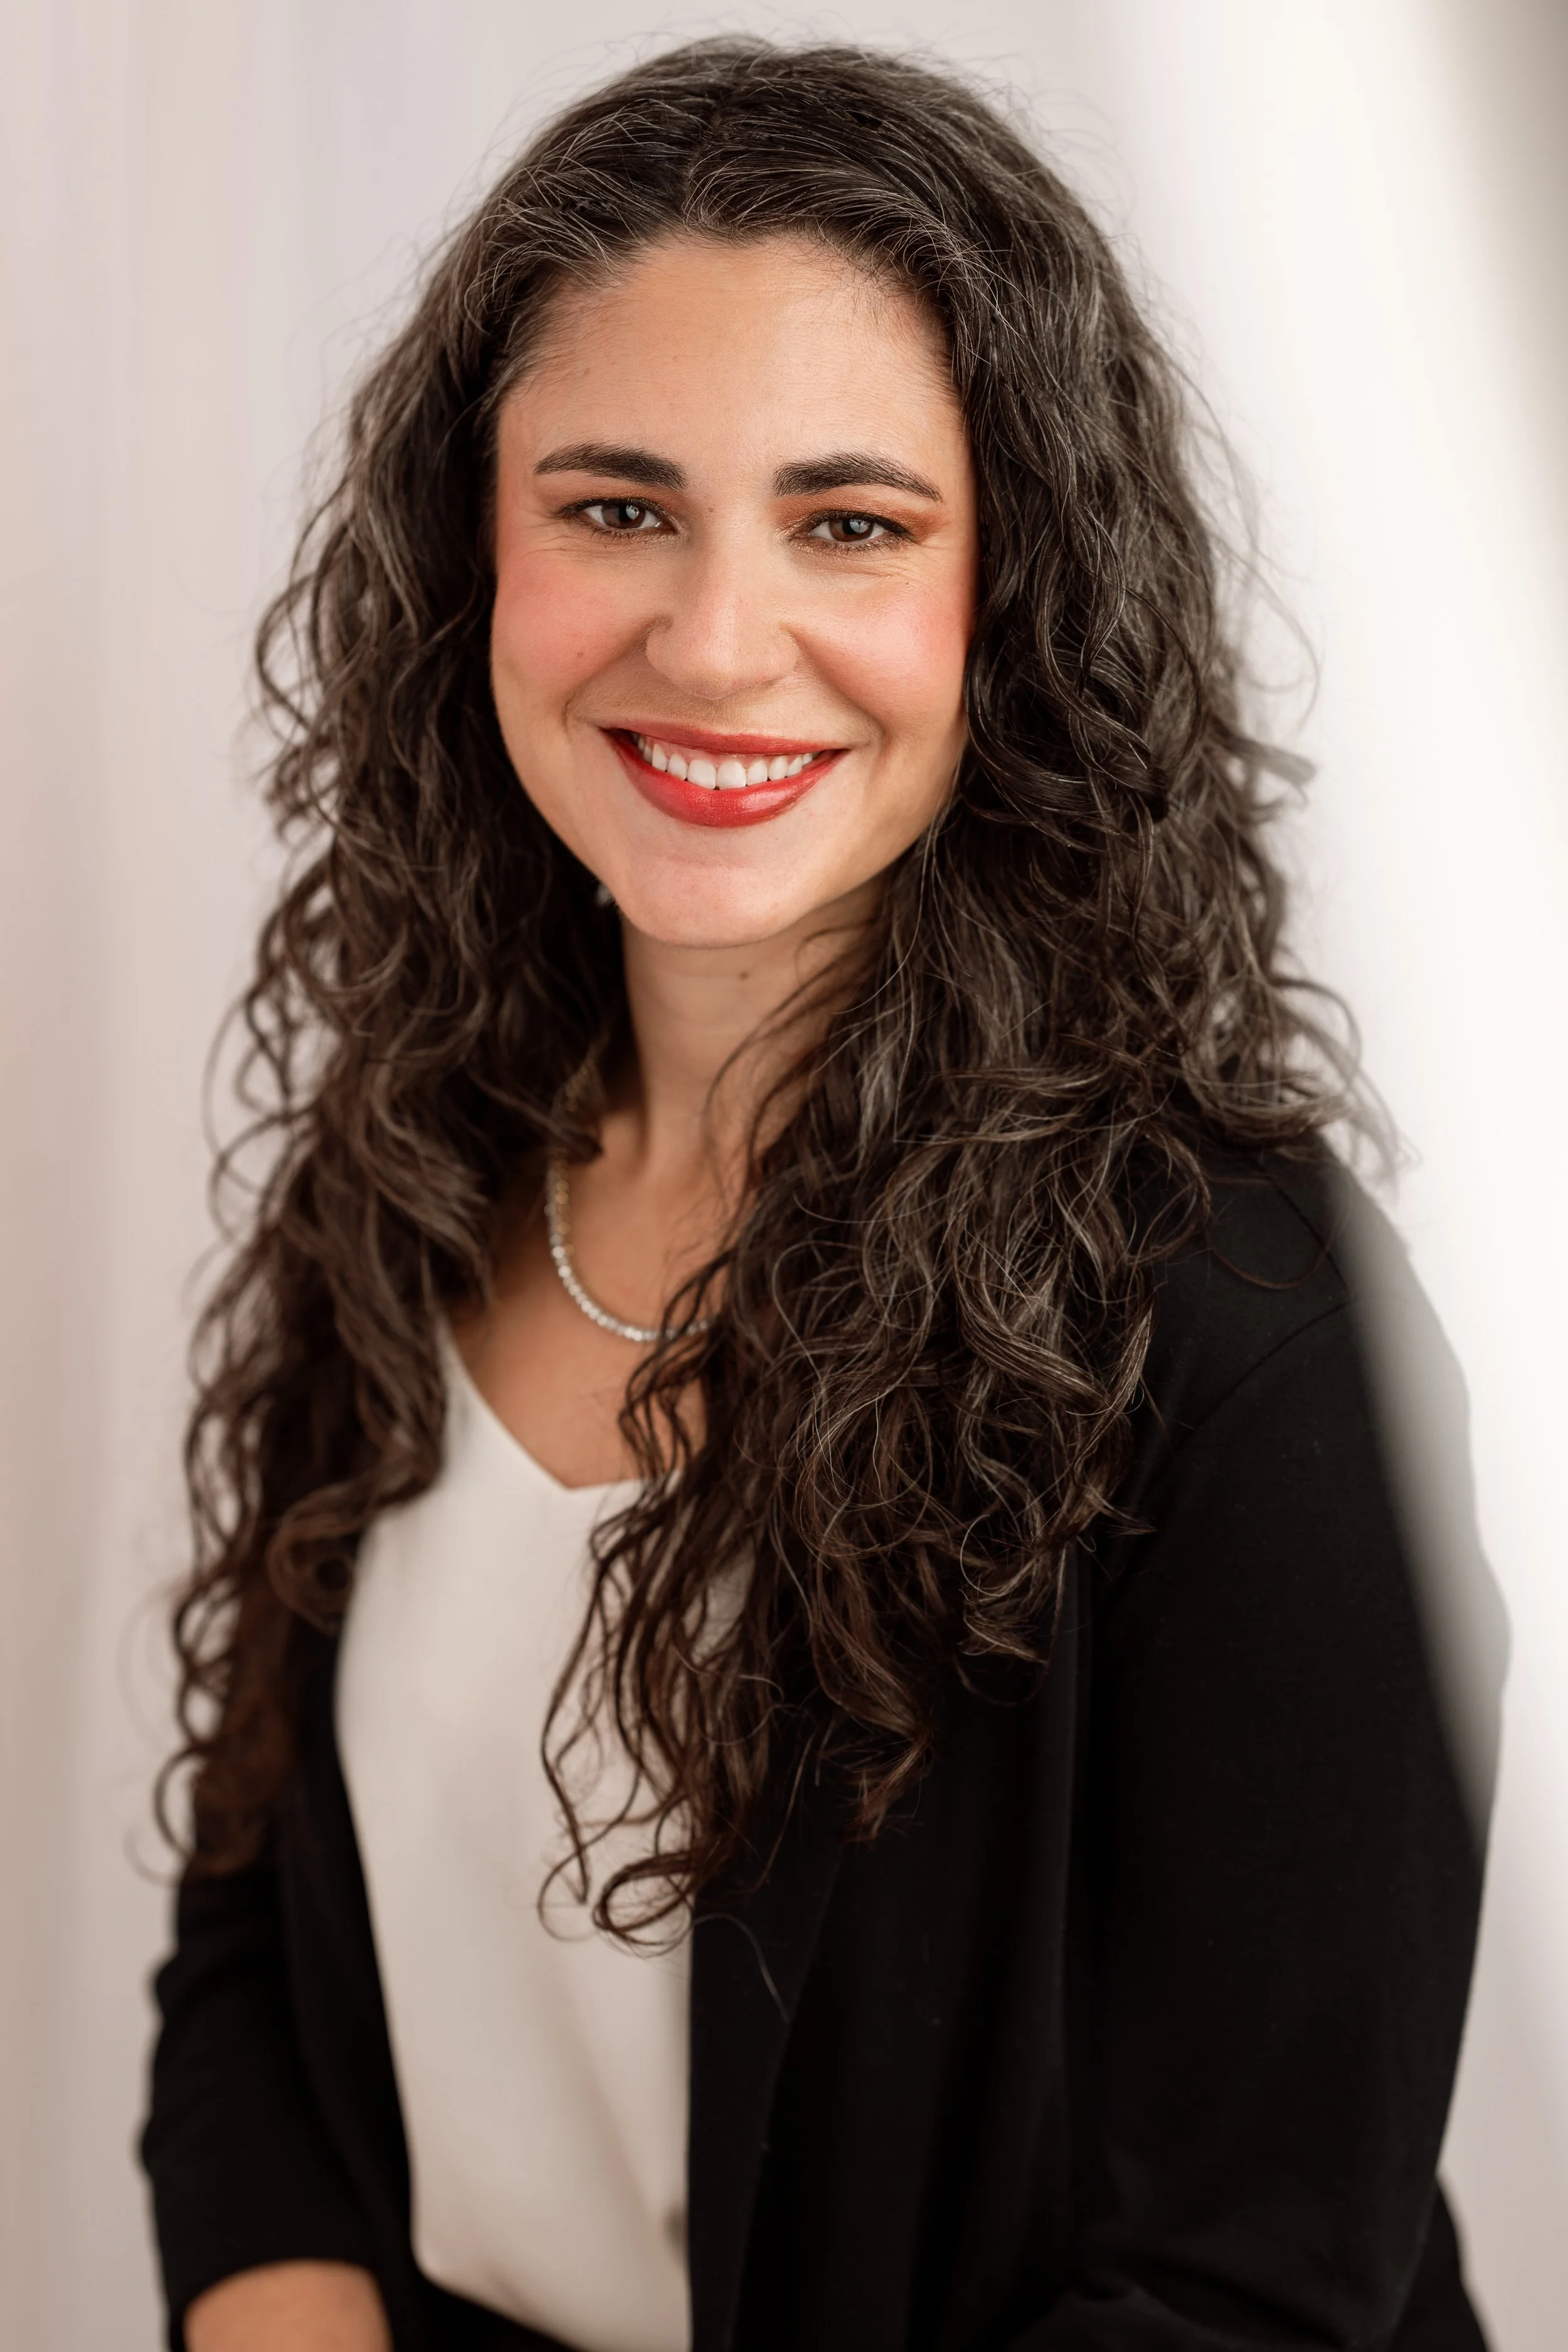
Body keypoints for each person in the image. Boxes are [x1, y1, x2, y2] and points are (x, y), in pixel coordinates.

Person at [140, 38, 1501, 2352]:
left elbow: (1244, 2287)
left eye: (848, 522)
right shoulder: (402, 1175)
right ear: (475, 551)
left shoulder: (1244, 1318)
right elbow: (259, 1957)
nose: (713, 637)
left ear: (1013, 598)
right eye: (615, 505)